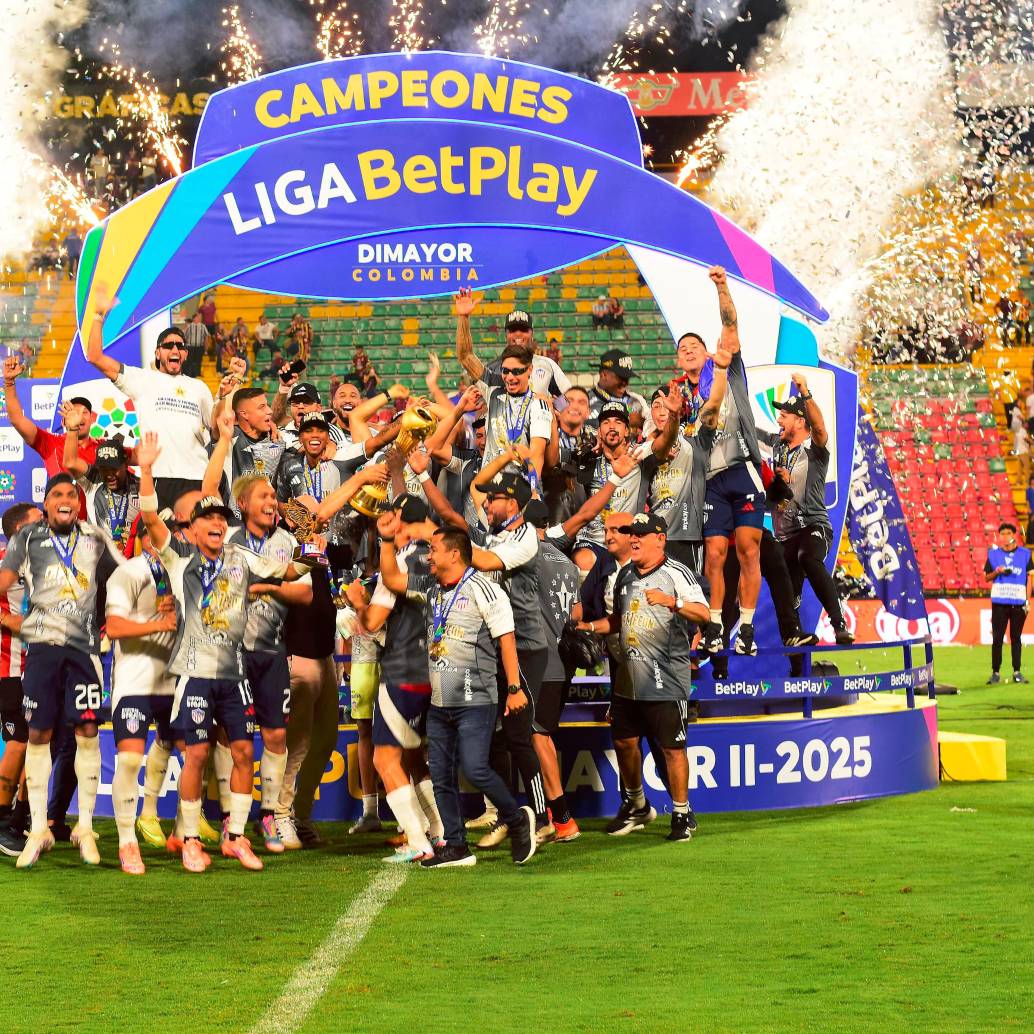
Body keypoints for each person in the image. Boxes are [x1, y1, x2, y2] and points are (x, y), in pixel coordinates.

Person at [135, 433, 317, 873]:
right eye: (207, 519)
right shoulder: (178, 558)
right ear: (193, 528)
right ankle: (192, 839)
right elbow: (150, 520)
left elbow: (292, 569)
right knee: (195, 754)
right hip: (195, 675)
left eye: (220, 516)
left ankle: (236, 836)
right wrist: (145, 472)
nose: (215, 523)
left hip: (234, 676)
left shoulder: (242, 557)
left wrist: (313, 542)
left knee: (242, 752)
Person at [378, 525, 537, 868]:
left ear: (454, 553)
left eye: (434, 549)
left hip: (476, 699)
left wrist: (514, 688)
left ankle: (516, 818)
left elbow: (506, 638)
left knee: (477, 769)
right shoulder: (434, 589)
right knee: (442, 775)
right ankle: (456, 845)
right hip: (440, 703)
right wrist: (387, 541)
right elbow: (391, 578)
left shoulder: (484, 588)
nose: (428, 555)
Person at [0, 474, 120, 868]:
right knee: (39, 735)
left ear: (78, 503)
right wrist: (19, 623)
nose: (66, 500)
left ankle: (84, 827)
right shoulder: (26, 540)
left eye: (72, 494)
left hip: (83, 652)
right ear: (47, 503)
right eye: (57, 495)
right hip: (42, 652)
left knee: (87, 731)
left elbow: (123, 579)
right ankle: (37, 830)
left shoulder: (96, 538)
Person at [346, 498, 445, 864]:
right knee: (415, 757)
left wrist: (358, 601)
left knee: (385, 759)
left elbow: (372, 623)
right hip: (432, 671)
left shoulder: (400, 561)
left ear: (401, 523)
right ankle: (439, 832)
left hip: (401, 671)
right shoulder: (440, 560)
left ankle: (418, 840)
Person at [603, 512, 709, 842]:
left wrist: (673, 602)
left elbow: (703, 613)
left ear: (660, 539)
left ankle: (681, 813)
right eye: (632, 533)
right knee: (623, 741)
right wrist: (589, 627)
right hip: (628, 679)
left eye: (642, 534)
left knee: (672, 749)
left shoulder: (677, 573)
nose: (634, 538)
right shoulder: (624, 576)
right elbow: (617, 623)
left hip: (666, 676)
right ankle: (636, 803)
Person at [86, 292, 237, 509]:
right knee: (158, 542)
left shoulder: (199, 387)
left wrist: (223, 397)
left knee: (196, 542)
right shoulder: (142, 379)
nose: (175, 349)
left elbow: (215, 432)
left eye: (180, 346)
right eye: (168, 346)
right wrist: (99, 316)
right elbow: (95, 357)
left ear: (185, 355)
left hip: (198, 476)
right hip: (158, 477)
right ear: (158, 352)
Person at [695, 266, 767, 657]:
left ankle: (749, 629)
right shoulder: (684, 394)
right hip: (710, 478)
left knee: (748, 551)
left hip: (742, 469)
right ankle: (717, 627)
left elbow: (730, 321)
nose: (692, 351)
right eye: (683, 349)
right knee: (715, 555)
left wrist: (723, 287)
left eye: (696, 346)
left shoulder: (728, 365)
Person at [105, 520, 179, 875]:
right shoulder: (128, 573)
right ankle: (126, 842)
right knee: (130, 761)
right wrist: (158, 625)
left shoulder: (182, 569)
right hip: (134, 683)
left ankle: (156, 816)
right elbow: (115, 628)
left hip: (172, 682)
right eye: (156, 533)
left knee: (181, 746)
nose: (166, 538)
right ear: (142, 538)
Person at [756, 375, 854, 645]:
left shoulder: (815, 449)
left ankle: (838, 622)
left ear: (800, 421)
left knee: (808, 558)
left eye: (784, 415)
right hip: (784, 536)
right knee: (791, 601)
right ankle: (798, 668)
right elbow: (750, 431)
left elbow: (820, 427)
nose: (778, 420)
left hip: (813, 527)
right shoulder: (777, 446)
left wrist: (805, 393)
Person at [0, 503, 42, 858]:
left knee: (39, 740)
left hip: (39, 665)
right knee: (19, 741)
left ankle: (22, 816)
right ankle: (3, 823)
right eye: (36, 522)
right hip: (9, 666)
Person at [455, 291, 570, 401]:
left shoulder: (547, 365)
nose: (518, 333)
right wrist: (463, 317)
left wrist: (554, 410)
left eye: (523, 329)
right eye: (513, 330)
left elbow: (568, 400)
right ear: (506, 335)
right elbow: (465, 356)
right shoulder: (493, 370)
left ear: (532, 334)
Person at [3, 357, 97, 485]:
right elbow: (17, 419)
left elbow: (133, 457)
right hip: (61, 506)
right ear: (64, 422)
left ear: (92, 419)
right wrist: (9, 382)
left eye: (84, 412)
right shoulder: (51, 443)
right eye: (72, 413)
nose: (78, 417)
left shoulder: (104, 448)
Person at [61, 404, 139, 555]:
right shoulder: (94, 480)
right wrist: (72, 431)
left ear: (125, 464)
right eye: (104, 469)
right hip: (99, 560)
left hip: (134, 562)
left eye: (114, 468)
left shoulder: (141, 486)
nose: (109, 474)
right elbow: (70, 462)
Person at [984, 523, 1033, 685]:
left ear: (1014, 535)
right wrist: (996, 572)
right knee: (997, 638)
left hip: (1019, 603)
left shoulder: (1025, 554)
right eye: (1002, 534)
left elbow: (1029, 579)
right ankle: (995, 673)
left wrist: (1027, 601)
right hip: (999, 603)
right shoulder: (993, 554)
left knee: (1016, 638)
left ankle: (1017, 672)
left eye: (1008, 533)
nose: (1005, 536)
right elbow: (986, 578)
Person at [587, 349, 649, 430]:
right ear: (604, 375)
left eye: (627, 378)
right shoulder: (585, 401)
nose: (625, 383)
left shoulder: (637, 401)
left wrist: (641, 422)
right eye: (621, 377)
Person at [184, 312, 209, 378]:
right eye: (198, 317)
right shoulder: (189, 326)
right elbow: (185, 336)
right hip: (191, 347)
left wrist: (206, 348)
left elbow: (206, 336)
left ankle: (197, 373)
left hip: (199, 347)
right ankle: (190, 374)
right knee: (190, 361)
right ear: (194, 318)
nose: (199, 318)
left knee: (198, 361)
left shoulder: (203, 326)